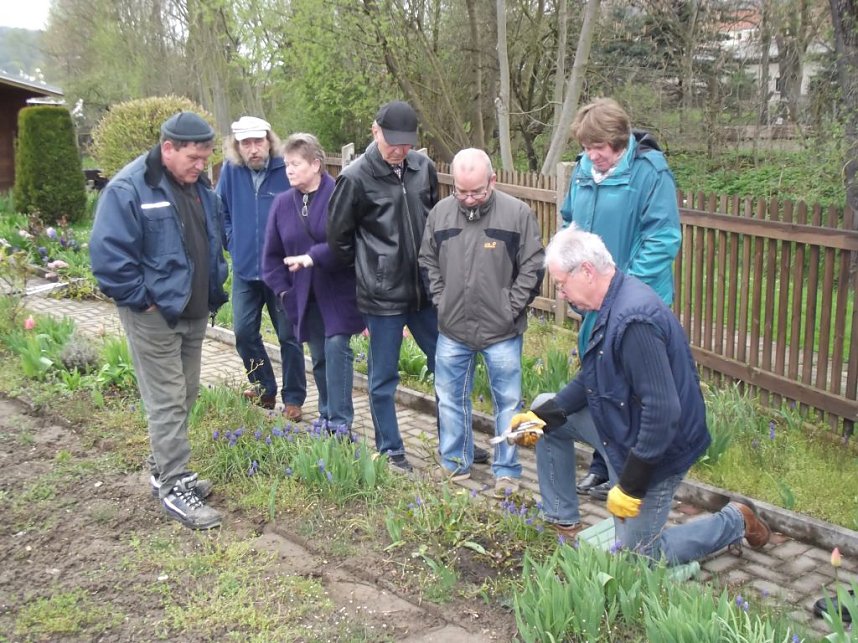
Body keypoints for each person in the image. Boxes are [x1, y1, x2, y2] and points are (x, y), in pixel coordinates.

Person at [508, 226, 771, 562]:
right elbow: (591, 378)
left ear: (586, 271)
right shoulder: (608, 304)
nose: (560, 294)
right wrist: (541, 419)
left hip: (659, 450)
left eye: (561, 284)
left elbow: (662, 412)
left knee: (635, 558)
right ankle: (563, 521)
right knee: (544, 407)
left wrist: (631, 485)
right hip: (623, 428)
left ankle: (735, 519)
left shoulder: (633, 321)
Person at [326, 100, 489, 472]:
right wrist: (372, 270)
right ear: (375, 131)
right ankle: (390, 447)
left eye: (406, 143)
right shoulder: (354, 178)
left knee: (447, 365)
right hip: (382, 296)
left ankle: (458, 438)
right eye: (392, 142)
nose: (400, 151)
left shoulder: (423, 168)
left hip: (425, 290)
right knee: (383, 376)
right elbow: (338, 239)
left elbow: (434, 219)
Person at [89, 112, 228, 530]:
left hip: (194, 310)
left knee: (185, 393)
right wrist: (142, 301)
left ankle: (161, 466)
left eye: (206, 158)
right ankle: (174, 486)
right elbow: (108, 256)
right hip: (154, 316)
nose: (201, 165)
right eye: (194, 157)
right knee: (167, 399)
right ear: (167, 148)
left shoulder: (197, 186)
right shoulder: (130, 188)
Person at [559, 97, 681, 500]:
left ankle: (632, 473)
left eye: (600, 149)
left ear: (621, 141)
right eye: (587, 148)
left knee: (631, 388)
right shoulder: (582, 171)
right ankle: (602, 464)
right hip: (594, 297)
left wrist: (621, 291)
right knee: (597, 379)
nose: (593, 156)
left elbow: (662, 238)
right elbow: (569, 220)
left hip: (634, 302)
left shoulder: (650, 172)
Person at [419, 148, 544, 497]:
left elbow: (534, 265)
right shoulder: (441, 214)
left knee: (508, 402)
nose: (469, 198)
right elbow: (427, 260)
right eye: (461, 191)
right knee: (450, 398)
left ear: (492, 180)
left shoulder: (517, 214)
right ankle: (456, 462)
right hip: (453, 327)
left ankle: (506, 470)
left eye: (476, 191)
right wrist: (442, 302)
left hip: (501, 330)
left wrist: (511, 307)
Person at [262, 133, 364, 434]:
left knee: (337, 349)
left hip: (340, 290)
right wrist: (283, 290)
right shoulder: (282, 204)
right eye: (286, 164)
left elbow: (350, 242)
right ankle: (326, 414)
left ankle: (340, 422)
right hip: (304, 294)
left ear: (316, 164)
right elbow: (271, 255)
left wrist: (313, 257)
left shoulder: (339, 195)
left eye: (295, 164)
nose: (289, 170)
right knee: (318, 356)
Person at [216, 116, 306, 421]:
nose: (253, 149)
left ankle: (293, 398)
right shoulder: (231, 170)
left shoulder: (285, 168)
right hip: (244, 268)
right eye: (246, 144)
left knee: (288, 336)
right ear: (237, 147)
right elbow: (222, 210)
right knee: (243, 332)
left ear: (269, 141)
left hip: (280, 271)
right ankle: (264, 387)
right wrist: (231, 238)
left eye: (258, 142)